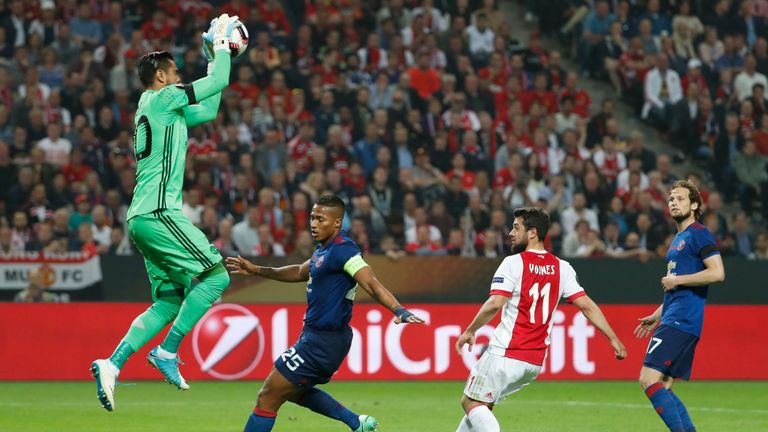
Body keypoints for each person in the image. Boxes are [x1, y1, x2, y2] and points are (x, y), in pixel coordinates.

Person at [90, 14, 240, 412]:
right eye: (174, 72)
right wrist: (222, 48)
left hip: (141, 218)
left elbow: (207, 110)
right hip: (159, 212)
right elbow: (219, 83)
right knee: (216, 275)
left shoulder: (156, 106)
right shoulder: (165, 97)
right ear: (160, 76)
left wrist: (212, 60)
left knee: (169, 302)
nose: (179, 77)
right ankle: (168, 352)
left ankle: (113, 362)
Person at [226, 195, 424, 432]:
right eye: (312, 218)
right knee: (291, 390)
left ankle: (354, 422)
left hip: (324, 341)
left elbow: (370, 283)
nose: (314, 224)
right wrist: (257, 270)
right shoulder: (323, 252)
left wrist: (398, 310)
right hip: (314, 337)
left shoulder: (344, 251)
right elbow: (299, 272)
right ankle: (356, 422)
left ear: (337, 223)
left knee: (268, 396)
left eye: (321, 219)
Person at [454, 207, 627, 432]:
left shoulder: (514, 263)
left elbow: (495, 303)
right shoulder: (562, 267)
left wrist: (470, 330)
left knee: (470, 402)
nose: (511, 233)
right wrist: (613, 338)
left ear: (533, 232)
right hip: (533, 361)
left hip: (506, 352)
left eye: (516, 228)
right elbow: (587, 305)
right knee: (482, 406)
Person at [634, 180, 725, 432]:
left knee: (647, 378)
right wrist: (656, 314)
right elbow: (675, 288)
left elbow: (717, 273)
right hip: (673, 316)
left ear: (695, 204)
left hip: (682, 320)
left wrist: (678, 280)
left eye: (681, 198)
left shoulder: (699, 233)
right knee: (662, 385)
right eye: (671, 199)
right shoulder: (678, 239)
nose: (674, 202)